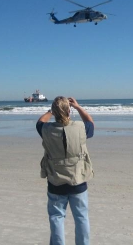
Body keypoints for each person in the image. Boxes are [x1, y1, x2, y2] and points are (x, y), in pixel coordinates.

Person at [36, 96, 94, 245]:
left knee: (57, 217)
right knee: (81, 217)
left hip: (56, 181)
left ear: (55, 112)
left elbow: (40, 122)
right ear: (69, 111)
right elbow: (90, 122)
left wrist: (52, 111)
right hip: (78, 180)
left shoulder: (46, 130)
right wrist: (78, 107)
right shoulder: (80, 127)